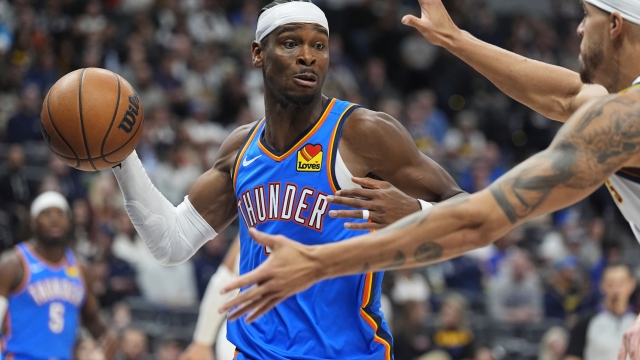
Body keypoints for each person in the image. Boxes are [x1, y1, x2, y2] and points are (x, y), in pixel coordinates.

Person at [218, 1, 640, 359]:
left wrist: (317, 263)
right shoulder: (613, 105)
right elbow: (565, 95)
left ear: (616, 25)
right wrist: (452, 37)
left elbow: (479, 220)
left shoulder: (624, 120)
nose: (580, 27)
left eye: (588, 15)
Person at [110, 0, 463, 359]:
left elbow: (469, 209)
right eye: (292, 43)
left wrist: (416, 213)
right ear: (258, 53)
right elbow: (172, 242)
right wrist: (120, 155)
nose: (308, 56)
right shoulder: (240, 149)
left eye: (319, 46)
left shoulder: (362, 133)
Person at [0, 191, 117, 360]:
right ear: (33, 222)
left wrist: (108, 338)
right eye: (46, 214)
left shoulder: (81, 269)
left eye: (60, 213)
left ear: (69, 222)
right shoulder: (13, 264)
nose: (54, 219)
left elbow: (92, 319)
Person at [564, 263, 637, 360]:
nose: (616, 290)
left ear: (631, 285)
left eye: (621, 283)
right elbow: (572, 356)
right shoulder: (585, 322)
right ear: (602, 285)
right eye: (611, 284)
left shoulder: (637, 322)